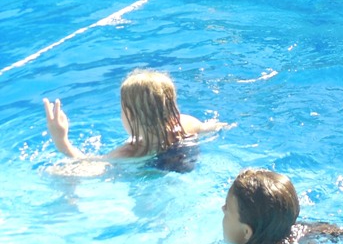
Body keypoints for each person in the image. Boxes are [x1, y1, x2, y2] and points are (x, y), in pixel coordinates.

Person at [42, 68, 226, 170]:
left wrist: (62, 141)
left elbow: (85, 164)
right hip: (186, 162)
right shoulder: (187, 124)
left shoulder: (130, 152)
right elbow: (212, 128)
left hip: (149, 177)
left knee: (57, 172)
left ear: (129, 115)